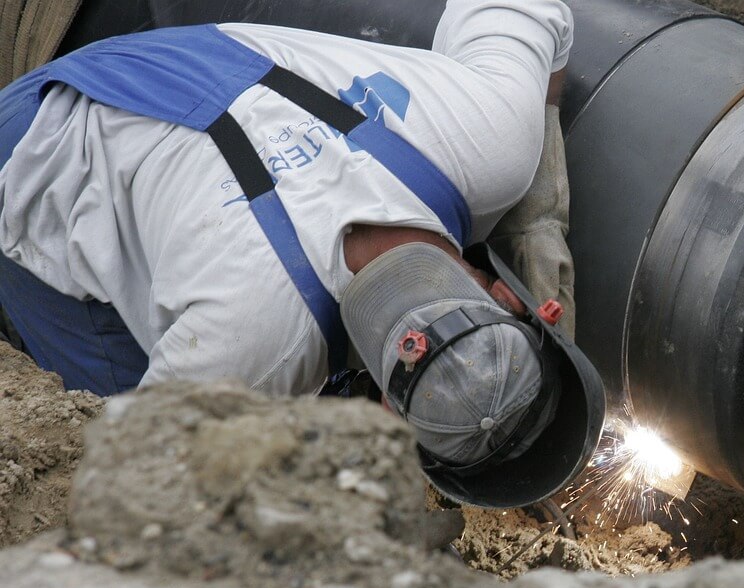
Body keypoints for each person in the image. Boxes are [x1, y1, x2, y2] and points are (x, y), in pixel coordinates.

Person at [0, 0, 602, 505]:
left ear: (508, 299)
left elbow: (532, 8)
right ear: (386, 421)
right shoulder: (249, 355)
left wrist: (536, 213)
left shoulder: (490, 138)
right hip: (35, 154)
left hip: (162, 61)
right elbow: (136, 494)